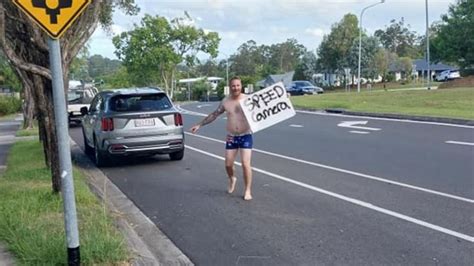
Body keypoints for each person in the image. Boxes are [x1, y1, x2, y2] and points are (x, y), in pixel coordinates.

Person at [190, 76, 253, 201]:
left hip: (246, 135)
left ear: (241, 86)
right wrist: (199, 124)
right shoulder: (226, 101)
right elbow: (215, 114)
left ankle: (247, 190)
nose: (236, 88)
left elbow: (266, 108)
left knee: (246, 164)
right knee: (228, 164)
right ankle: (232, 178)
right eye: (233, 86)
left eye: (238, 85)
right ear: (230, 87)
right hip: (231, 136)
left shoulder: (248, 99)